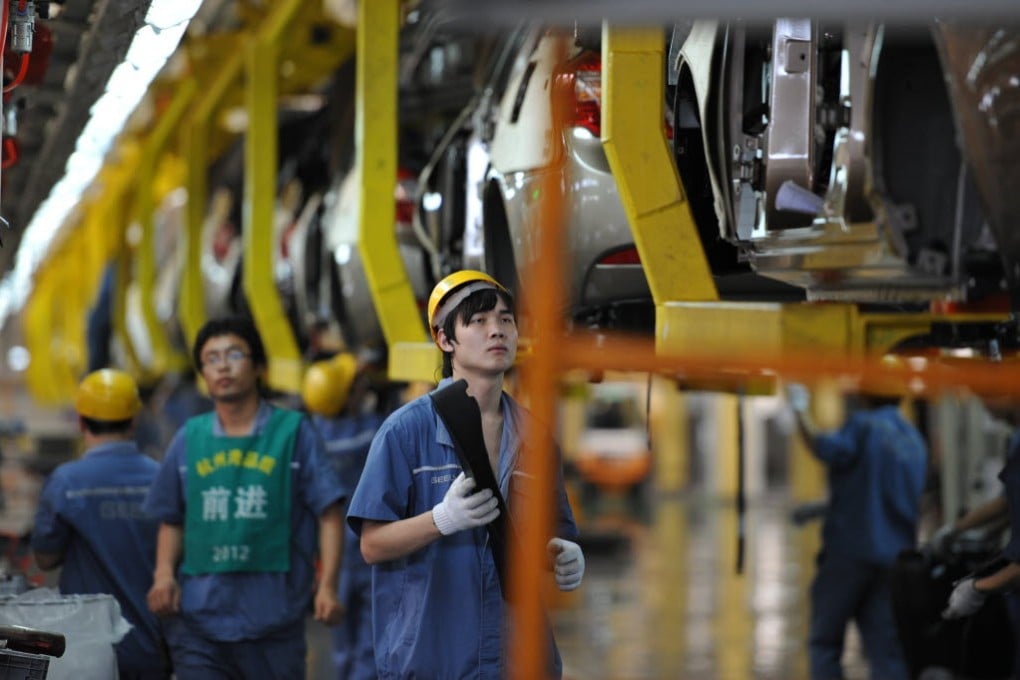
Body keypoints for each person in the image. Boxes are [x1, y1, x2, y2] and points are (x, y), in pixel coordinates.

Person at [347, 269, 584, 679]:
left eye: (506, 319)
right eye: (479, 321)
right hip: (432, 659)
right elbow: (372, 545)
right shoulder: (406, 431)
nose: (498, 331)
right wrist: (440, 520)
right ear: (445, 339)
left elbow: (547, 534)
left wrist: (562, 554)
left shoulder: (534, 435)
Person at [142, 315, 345, 679]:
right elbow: (171, 516)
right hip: (199, 627)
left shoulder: (293, 433)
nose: (223, 366)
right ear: (203, 374)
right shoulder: (189, 439)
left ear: (258, 368)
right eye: (212, 358)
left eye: (234, 354)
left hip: (275, 627)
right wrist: (163, 575)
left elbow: (328, 512)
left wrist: (327, 585)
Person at [788, 367, 929, 680]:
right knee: (885, 649)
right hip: (893, 560)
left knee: (824, 642)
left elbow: (821, 446)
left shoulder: (863, 426)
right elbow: (881, 495)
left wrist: (798, 408)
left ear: (864, 393)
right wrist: (823, 509)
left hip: (849, 555)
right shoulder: (914, 441)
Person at [31, 368, 172, 679]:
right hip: (153, 647)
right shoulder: (161, 477)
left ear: (81, 421)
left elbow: (45, 558)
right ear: (134, 420)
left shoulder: (66, 482)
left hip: (87, 652)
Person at [302, 352, 386, 680]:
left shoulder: (312, 436)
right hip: (367, 550)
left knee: (342, 637)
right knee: (370, 636)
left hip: (331, 553)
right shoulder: (368, 433)